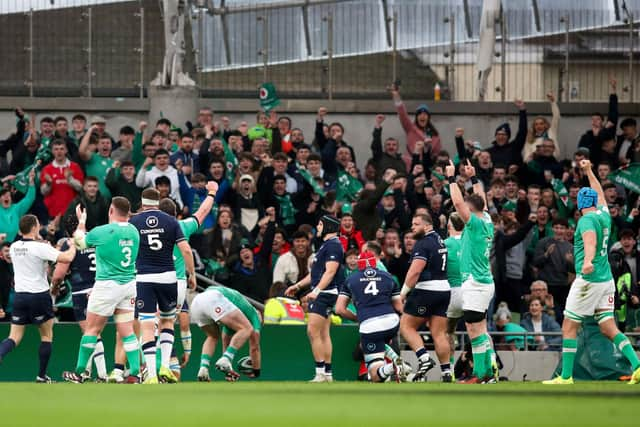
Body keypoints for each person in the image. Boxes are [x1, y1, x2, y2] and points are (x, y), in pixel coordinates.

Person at [544, 159, 640, 385]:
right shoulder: (604, 215)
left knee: (569, 326)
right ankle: (637, 366)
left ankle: (566, 376)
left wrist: (587, 262)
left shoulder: (586, 220)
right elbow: (599, 192)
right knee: (608, 327)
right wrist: (589, 171)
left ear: (578, 204)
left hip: (589, 279)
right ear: (596, 201)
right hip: (606, 279)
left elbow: (590, 241)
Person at [61, 199, 142, 384]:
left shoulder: (103, 231)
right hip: (129, 285)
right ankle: (135, 373)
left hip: (107, 285)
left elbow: (79, 243)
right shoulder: (134, 231)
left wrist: (82, 220)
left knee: (92, 329)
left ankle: (80, 372)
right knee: (127, 331)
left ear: (111, 210)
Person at [129, 188, 196, 384]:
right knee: (167, 322)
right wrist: (191, 274)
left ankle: (150, 375)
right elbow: (185, 249)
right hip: (168, 277)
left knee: (148, 325)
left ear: (142, 203)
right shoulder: (171, 221)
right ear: (158, 202)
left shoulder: (134, 222)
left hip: (144, 278)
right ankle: (165, 365)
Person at [0, 215, 76, 383]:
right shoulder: (39, 248)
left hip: (20, 297)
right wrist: (73, 246)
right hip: (39, 296)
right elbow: (67, 258)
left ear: (20, 229)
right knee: (46, 336)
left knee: (14, 337)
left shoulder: (13, 247)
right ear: (35, 228)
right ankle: (41, 376)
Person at [445, 159, 497, 384]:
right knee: (481, 329)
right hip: (484, 281)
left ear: (471, 210)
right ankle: (489, 373)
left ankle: (480, 374)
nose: (464, 208)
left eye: (468, 207)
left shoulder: (474, 224)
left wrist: (450, 178)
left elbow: (457, 203)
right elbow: (481, 201)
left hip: (475, 283)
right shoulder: (486, 219)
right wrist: (474, 177)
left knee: (474, 330)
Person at [285, 215, 344, 382]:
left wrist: (317, 291)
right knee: (324, 333)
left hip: (325, 294)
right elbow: (315, 274)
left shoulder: (333, 245)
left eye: (320, 224)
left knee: (312, 331)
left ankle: (320, 372)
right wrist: (297, 286)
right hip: (326, 292)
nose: (317, 228)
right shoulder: (327, 245)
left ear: (328, 227)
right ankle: (328, 374)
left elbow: (330, 272)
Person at [336, 251, 405, 383]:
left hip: (369, 325)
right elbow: (399, 307)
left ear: (359, 265)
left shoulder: (351, 279)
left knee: (374, 375)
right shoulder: (388, 277)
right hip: (391, 322)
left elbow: (339, 309)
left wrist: (357, 318)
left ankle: (393, 366)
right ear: (375, 263)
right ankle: (396, 361)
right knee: (381, 343)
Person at [51, 218, 106, 381]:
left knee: (91, 332)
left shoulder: (71, 243)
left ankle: (101, 375)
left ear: (67, 232)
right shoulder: (95, 239)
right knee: (93, 332)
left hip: (82, 290)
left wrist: (54, 288)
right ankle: (86, 371)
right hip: (102, 288)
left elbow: (59, 274)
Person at [399, 213, 451, 382]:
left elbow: (415, 271)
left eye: (416, 224)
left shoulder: (423, 243)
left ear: (427, 226)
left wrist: (403, 293)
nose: (412, 227)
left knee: (406, 326)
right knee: (439, 333)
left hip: (427, 290)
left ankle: (424, 359)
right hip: (444, 289)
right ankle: (447, 373)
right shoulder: (439, 239)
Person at [192, 286, 262, 382]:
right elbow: (255, 347)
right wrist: (256, 370)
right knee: (247, 328)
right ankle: (226, 359)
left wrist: (227, 370)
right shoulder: (255, 315)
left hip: (197, 302)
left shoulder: (233, 315)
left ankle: (203, 368)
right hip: (213, 298)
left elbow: (226, 342)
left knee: (212, 336)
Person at [444, 212, 464, 376]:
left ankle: (449, 370)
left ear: (449, 225)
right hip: (472, 290)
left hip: (453, 291)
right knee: (480, 330)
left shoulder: (444, 244)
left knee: (447, 331)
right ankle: (489, 364)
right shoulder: (471, 242)